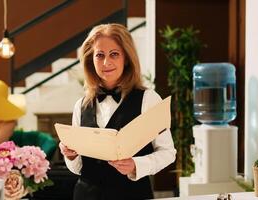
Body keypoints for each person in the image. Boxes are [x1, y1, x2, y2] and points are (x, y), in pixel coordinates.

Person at [59, 23, 176, 200]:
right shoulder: (81, 105)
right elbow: (79, 169)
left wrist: (136, 165)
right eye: (100, 55)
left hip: (132, 194)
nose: (106, 62)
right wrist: (72, 156)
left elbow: (168, 153)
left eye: (114, 54)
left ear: (126, 58)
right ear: (91, 59)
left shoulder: (148, 99)